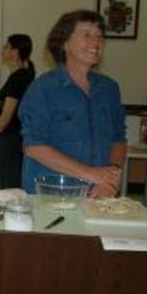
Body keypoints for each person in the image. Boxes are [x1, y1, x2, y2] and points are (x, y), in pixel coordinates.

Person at [18, 10, 126, 197]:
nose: (96, 42)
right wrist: (94, 175)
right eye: (87, 34)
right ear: (64, 43)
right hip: (50, 197)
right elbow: (34, 147)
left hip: (98, 195)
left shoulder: (109, 89)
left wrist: (110, 177)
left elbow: (118, 139)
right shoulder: (43, 89)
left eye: (100, 36)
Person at [0, 34, 35, 188]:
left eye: (6, 47)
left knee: (10, 183)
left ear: (15, 52)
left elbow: (6, 116)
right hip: (9, 138)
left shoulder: (19, 78)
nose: (2, 50)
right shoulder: (20, 76)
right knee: (9, 180)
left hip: (11, 140)